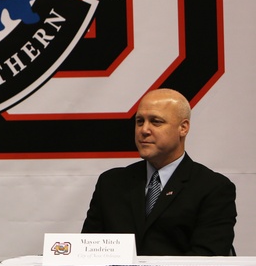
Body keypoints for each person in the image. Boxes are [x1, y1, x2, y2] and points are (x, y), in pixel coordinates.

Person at [82, 88, 236, 255]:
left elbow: (207, 262)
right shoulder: (111, 183)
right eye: (140, 121)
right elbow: (87, 252)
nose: (144, 130)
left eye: (156, 122)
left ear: (183, 128)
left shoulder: (212, 188)